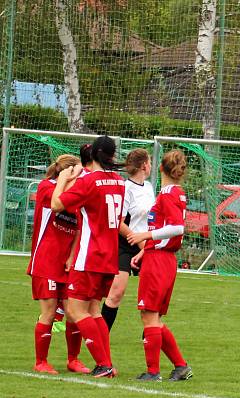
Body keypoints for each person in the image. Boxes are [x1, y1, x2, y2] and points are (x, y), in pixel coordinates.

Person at [51, 136, 126, 378]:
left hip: (89, 254)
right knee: (94, 310)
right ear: (112, 157)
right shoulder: (119, 181)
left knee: (74, 310)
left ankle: (103, 364)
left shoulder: (90, 181)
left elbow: (56, 205)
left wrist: (63, 180)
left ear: (92, 154)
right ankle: (108, 363)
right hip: (109, 256)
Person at [127, 150, 192, 382]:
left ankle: (153, 372)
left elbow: (177, 228)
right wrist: (145, 250)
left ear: (161, 169)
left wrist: (145, 235)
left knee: (148, 316)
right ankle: (181, 366)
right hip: (159, 257)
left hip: (160, 261)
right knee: (153, 317)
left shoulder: (168, 195)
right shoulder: (172, 192)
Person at [26, 154, 91, 374]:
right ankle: (40, 362)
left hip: (67, 264)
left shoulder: (75, 194)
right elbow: (56, 205)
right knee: (50, 312)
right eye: (79, 172)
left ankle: (73, 359)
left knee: (74, 311)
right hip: (46, 262)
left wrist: (73, 255)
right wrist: (64, 180)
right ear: (67, 173)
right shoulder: (47, 187)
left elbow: (80, 228)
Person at [101, 148, 155, 331]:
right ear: (143, 165)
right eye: (150, 161)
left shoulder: (148, 187)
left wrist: (148, 242)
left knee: (152, 295)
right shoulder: (125, 188)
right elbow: (118, 222)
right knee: (116, 293)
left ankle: (151, 338)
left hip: (145, 245)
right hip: (125, 244)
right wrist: (140, 242)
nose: (151, 165)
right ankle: (100, 338)